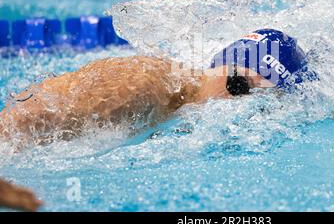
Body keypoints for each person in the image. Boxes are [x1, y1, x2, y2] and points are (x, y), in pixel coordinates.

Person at [0, 29, 315, 145]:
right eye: (271, 104)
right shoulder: (146, 83)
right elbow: (17, 122)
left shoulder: (178, 109)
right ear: (249, 84)